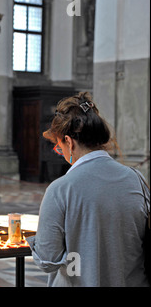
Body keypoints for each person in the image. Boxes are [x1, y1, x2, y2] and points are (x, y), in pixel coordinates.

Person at [26, 91, 150, 287]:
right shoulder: (137, 180)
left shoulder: (60, 189)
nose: (62, 153)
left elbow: (47, 260)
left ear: (69, 141)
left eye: (59, 147)